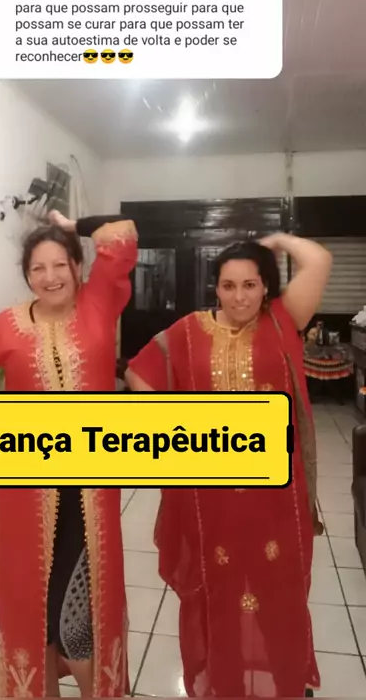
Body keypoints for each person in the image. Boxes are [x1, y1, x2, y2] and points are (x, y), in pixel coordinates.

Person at [0, 211, 138, 698]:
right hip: (25, 493)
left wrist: (76, 225)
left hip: (91, 489)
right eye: (37, 269)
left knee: (82, 607)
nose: (49, 278)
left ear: (77, 267)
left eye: (59, 265)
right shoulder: (7, 326)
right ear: (27, 275)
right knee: (36, 603)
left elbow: (123, 236)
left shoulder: (99, 303)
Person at [126, 233, 332, 699]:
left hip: (277, 494)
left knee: (278, 593)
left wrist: (275, 239)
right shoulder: (188, 331)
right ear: (215, 288)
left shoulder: (282, 320)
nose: (239, 297)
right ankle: (228, 684)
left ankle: (284, 683)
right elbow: (138, 372)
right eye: (228, 285)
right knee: (218, 590)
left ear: (266, 287)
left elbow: (319, 259)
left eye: (250, 285)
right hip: (210, 496)